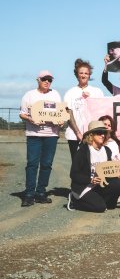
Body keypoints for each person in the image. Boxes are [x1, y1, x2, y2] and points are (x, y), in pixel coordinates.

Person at [19, 70, 63, 207]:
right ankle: (29, 194)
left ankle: (41, 192)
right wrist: (31, 119)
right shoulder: (29, 95)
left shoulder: (55, 94)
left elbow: (60, 114)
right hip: (34, 135)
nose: (47, 82)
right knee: (32, 164)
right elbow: (22, 114)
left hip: (51, 135)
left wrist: (61, 122)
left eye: (50, 80)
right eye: (44, 79)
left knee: (47, 164)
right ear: (38, 80)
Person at [68, 121, 120, 212]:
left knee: (114, 194)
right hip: (85, 187)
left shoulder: (107, 150)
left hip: (100, 186)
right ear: (91, 135)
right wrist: (90, 179)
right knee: (100, 207)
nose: (102, 135)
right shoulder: (83, 150)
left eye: (104, 133)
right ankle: (75, 201)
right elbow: (74, 174)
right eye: (99, 133)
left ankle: (100, 201)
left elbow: (110, 171)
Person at [64, 59, 105, 160]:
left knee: (93, 162)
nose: (83, 75)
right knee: (77, 164)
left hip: (93, 135)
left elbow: (102, 111)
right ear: (77, 75)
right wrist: (78, 133)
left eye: (86, 73)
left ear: (89, 75)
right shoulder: (70, 93)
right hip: (74, 136)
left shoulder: (97, 91)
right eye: (81, 73)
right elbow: (68, 113)